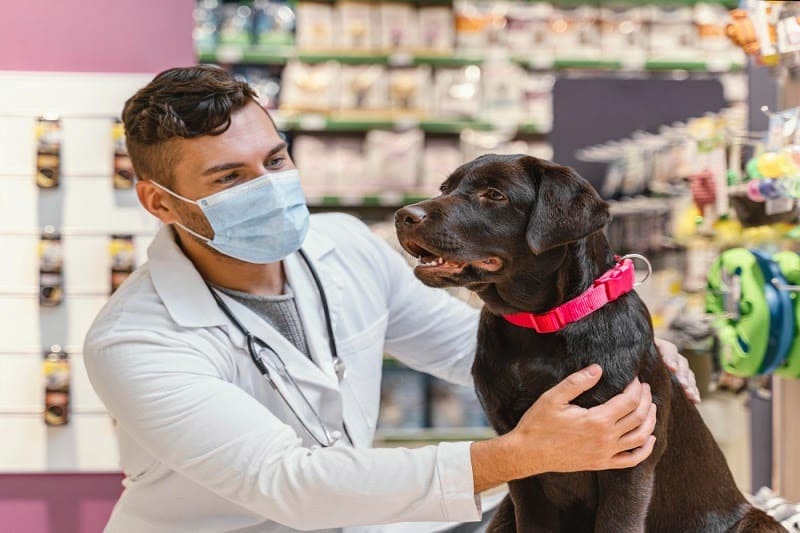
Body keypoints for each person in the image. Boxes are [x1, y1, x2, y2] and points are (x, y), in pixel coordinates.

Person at [83, 65, 700, 533]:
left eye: (275, 159)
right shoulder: (136, 340)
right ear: (161, 203)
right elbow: (286, 482)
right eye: (230, 178)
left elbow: (471, 348)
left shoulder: (343, 245)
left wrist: (627, 360)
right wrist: (519, 455)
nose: (269, 187)